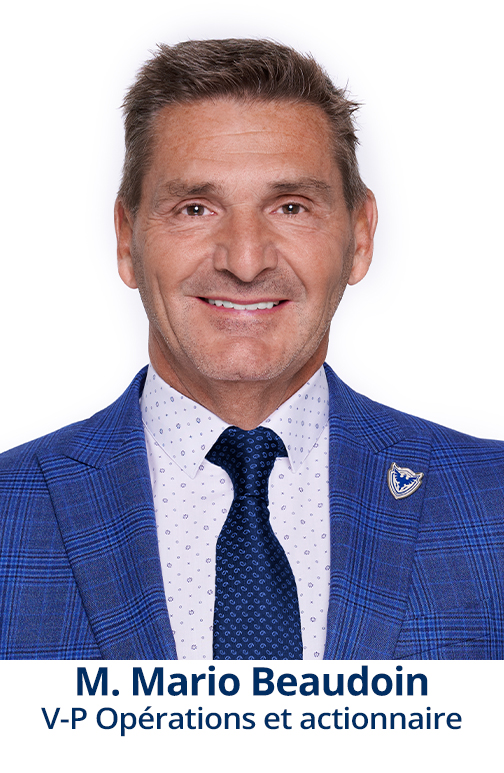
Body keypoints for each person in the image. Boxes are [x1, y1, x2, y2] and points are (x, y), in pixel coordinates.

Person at [0, 38, 502, 661]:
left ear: (360, 238)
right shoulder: (9, 509)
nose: (244, 260)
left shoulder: (493, 502)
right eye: (195, 208)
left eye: (291, 207)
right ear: (128, 241)